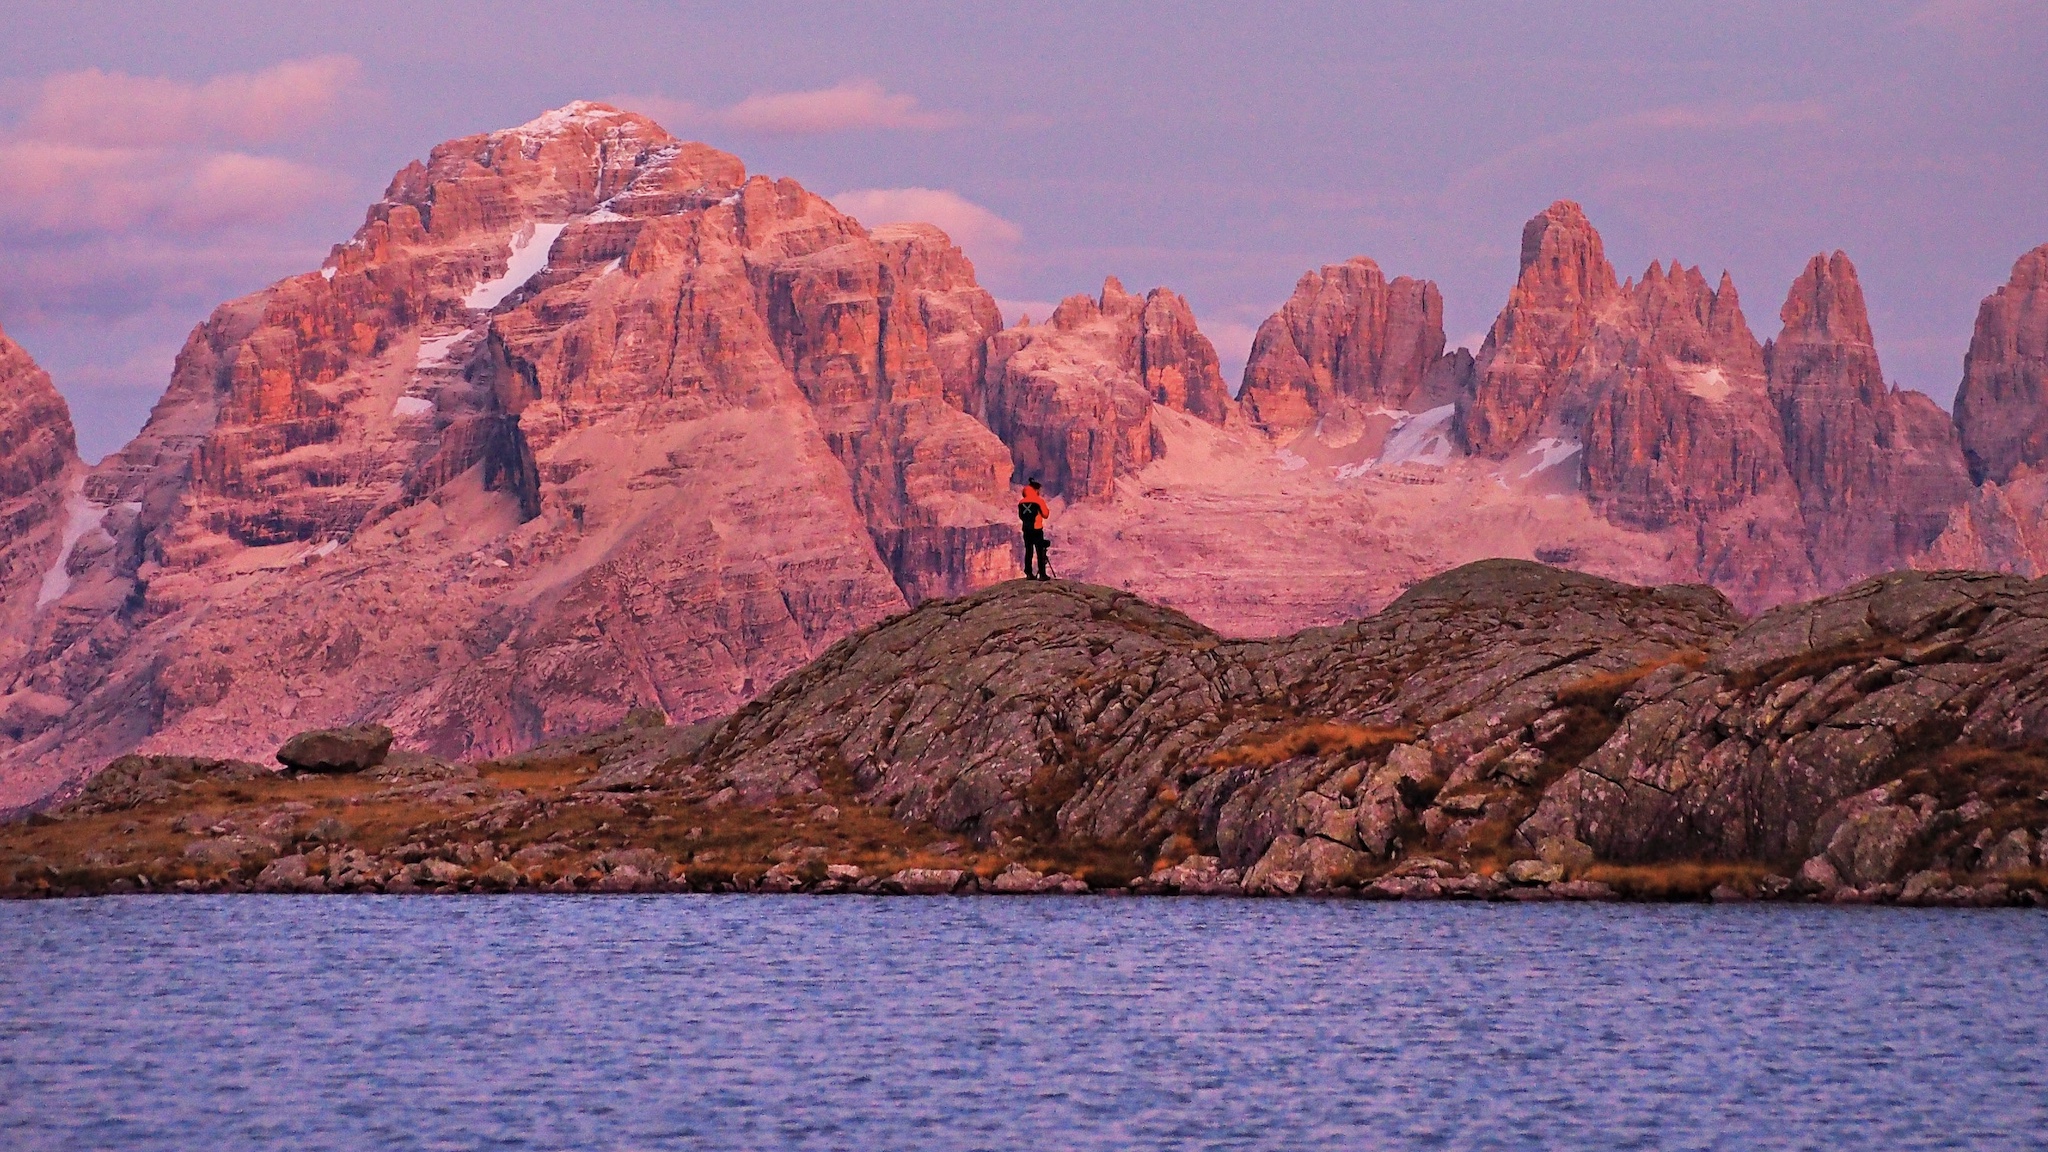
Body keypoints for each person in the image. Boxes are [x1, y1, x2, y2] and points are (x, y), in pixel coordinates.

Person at [1018, 477, 1052, 580]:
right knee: (1040, 551)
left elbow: (1021, 516)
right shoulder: (1038, 501)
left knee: (1029, 551)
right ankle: (1042, 574)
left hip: (1026, 529)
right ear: (1036, 490)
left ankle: (1028, 573)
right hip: (1037, 529)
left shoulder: (1021, 502)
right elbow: (1045, 514)